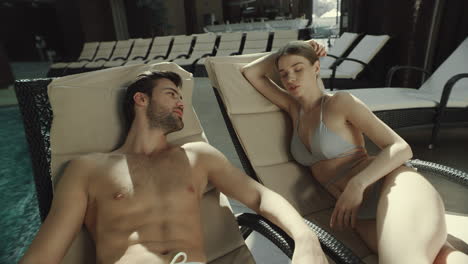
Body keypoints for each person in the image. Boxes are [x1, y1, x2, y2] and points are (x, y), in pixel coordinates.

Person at [19, 71, 328, 264]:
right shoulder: (86, 169)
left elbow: (261, 198)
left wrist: (305, 239)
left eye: (181, 97)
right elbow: (45, 254)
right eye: (171, 94)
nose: (181, 102)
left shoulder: (197, 156)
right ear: (141, 99)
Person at [241, 40, 468, 264]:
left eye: (298, 69)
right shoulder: (293, 109)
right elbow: (250, 72)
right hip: (359, 214)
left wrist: (357, 184)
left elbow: (400, 148)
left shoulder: (340, 102)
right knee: (439, 256)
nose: (290, 78)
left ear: (316, 68)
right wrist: (298, 45)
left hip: (392, 186)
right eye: (283, 74)